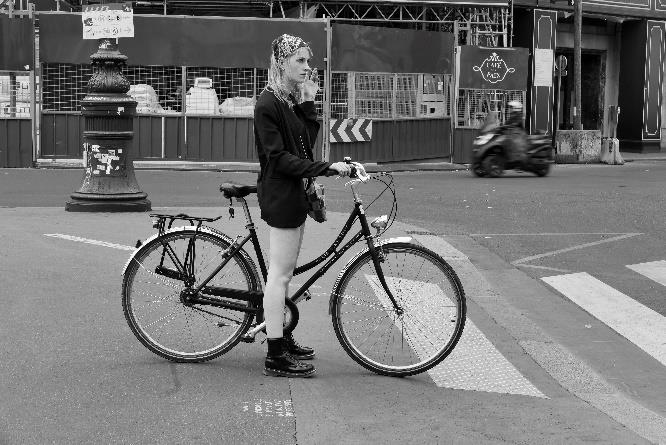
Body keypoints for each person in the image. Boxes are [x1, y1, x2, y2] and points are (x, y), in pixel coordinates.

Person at [254, 34, 353, 378]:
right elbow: (280, 159)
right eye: (300, 60)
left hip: (294, 195)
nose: (308, 67)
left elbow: (304, 147)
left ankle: (283, 334)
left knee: (285, 272)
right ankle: (275, 355)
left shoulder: (288, 99)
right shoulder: (268, 103)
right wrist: (327, 168)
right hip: (281, 195)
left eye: (308, 61)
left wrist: (309, 104)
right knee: (279, 277)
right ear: (281, 62)